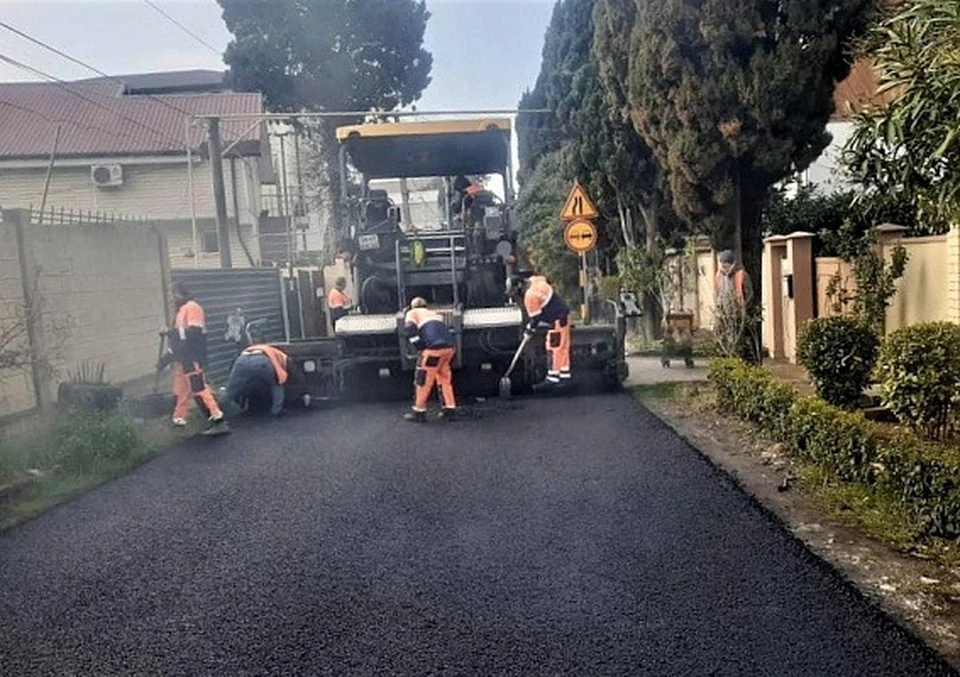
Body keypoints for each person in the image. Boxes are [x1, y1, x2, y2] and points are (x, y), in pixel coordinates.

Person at [157, 282, 226, 430]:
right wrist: (165, 360)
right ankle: (179, 419)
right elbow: (178, 342)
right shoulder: (181, 311)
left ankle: (217, 417)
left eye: (173, 294)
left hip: (192, 357)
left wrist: (169, 332)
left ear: (181, 294)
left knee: (198, 388)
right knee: (180, 391)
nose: (172, 298)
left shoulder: (193, 308)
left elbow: (194, 333)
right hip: (183, 360)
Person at [402, 297, 457, 422]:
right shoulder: (435, 314)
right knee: (444, 379)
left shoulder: (413, 313)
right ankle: (449, 409)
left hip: (433, 350)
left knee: (423, 380)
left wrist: (419, 347)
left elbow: (409, 329)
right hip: (449, 349)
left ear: (412, 306)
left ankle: (419, 411)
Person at [517, 273, 572, 388]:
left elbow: (535, 318)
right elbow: (546, 279)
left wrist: (528, 331)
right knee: (561, 348)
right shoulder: (536, 281)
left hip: (557, 320)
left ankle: (553, 378)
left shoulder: (530, 296)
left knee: (554, 348)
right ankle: (564, 376)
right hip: (563, 316)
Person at [225, 328, 289, 416]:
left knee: (230, 390)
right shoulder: (277, 352)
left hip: (242, 360)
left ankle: (219, 412)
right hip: (261, 361)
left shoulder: (250, 348)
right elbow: (286, 364)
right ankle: (276, 411)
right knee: (276, 385)